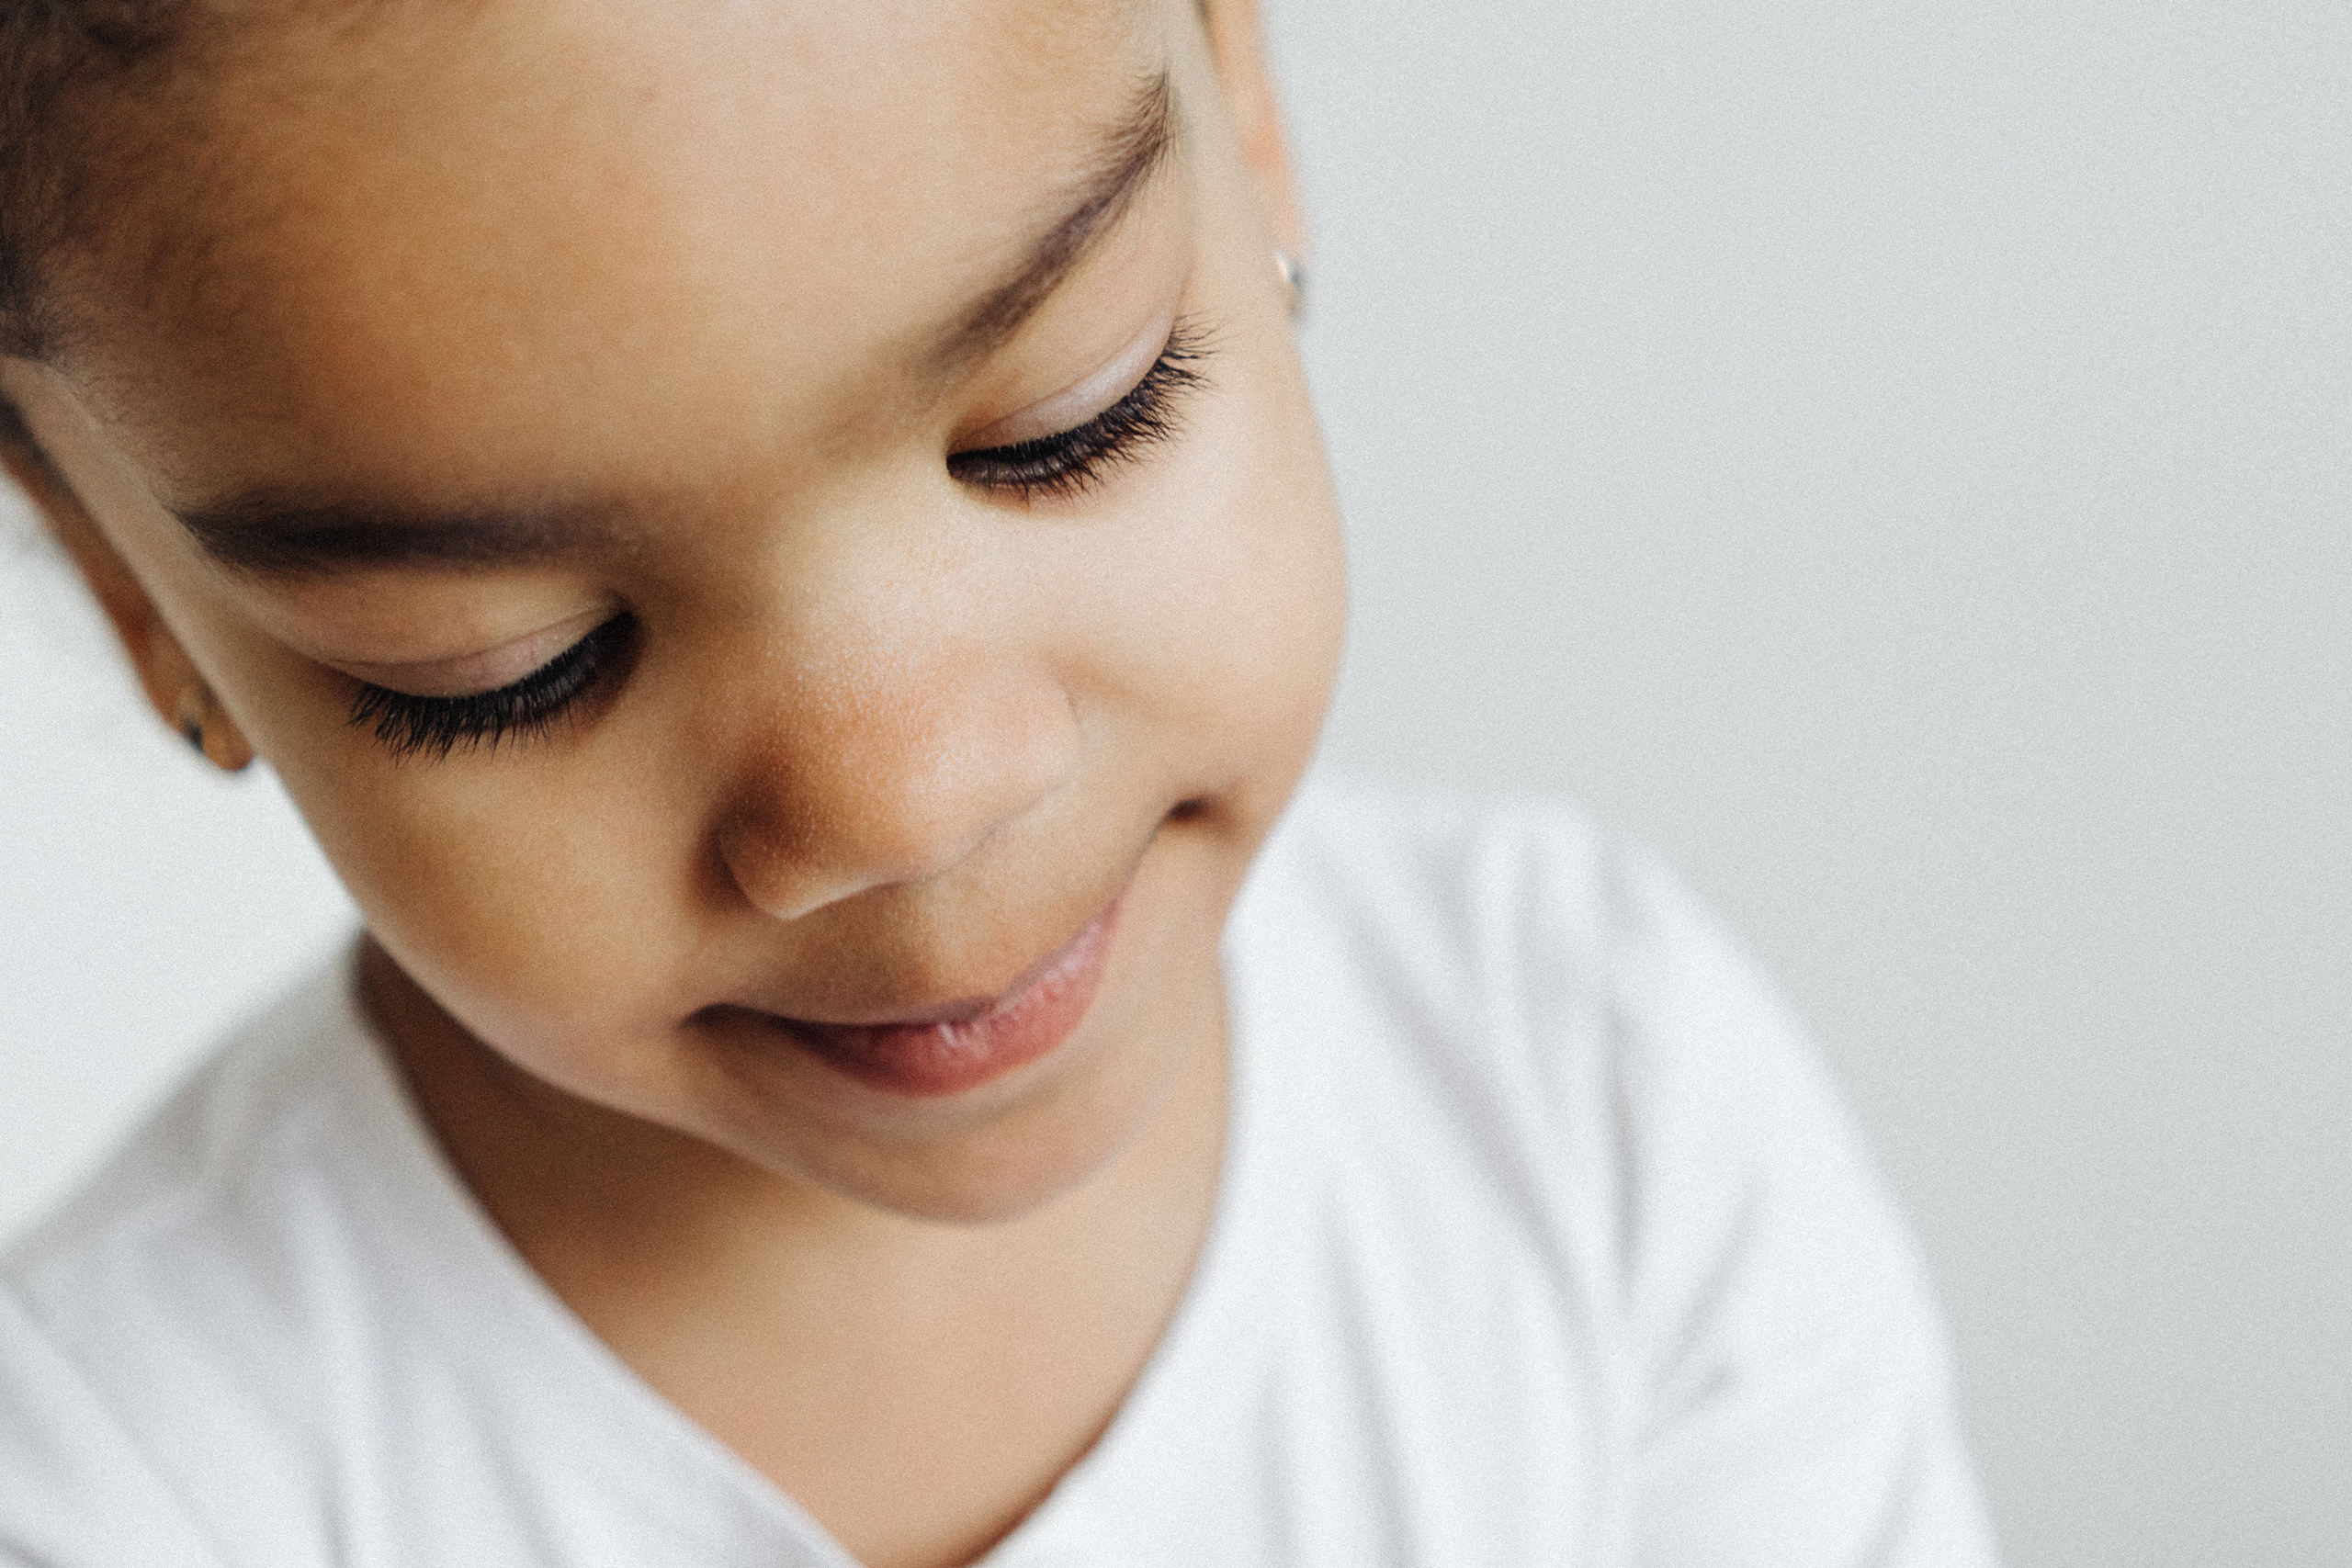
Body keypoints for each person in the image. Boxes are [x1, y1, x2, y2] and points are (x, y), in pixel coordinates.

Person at [0, 1, 1999, 1563]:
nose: (907, 803)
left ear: (1246, 101)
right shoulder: (126, 1482)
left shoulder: (1590, 1111)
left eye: (1069, 419)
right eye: (519, 667)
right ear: (126, 583)